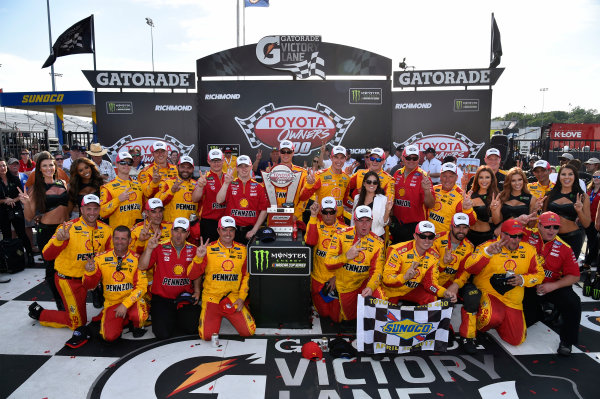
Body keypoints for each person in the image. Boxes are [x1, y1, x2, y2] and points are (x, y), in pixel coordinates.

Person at [27, 194, 113, 330]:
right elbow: (47, 255)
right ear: (81, 209)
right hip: (68, 280)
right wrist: (59, 241)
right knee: (77, 323)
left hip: (90, 279)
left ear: (99, 210)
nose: (92, 212)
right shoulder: (67, 227)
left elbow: (110, 258)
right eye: (88, 209)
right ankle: (40, 313)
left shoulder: (107, 230)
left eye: (95, 209)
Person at [459, 219, 544, 352]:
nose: (516, 240)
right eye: (512, 236)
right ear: (503, 234)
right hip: (489, 294)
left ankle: (501, 321)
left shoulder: (529, 250)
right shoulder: (488, 246)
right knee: (491, 318)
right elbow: (469, 267)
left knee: (516, 340)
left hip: (513, 300)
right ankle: (478, 322)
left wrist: (522, 279)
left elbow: (539, 275)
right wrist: (487, 253)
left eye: (519, 236)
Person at [521, 212, 581, 355]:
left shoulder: (564, 247)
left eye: (555, 227)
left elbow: (575, 276)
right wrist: (519, 220)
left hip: (552, 286)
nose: (552, 230)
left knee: (573, 302)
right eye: (548, 226)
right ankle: (541, 313)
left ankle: (567, 341)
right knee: (522, 324)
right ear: (539, 225)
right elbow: (500, 232)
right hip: (528, 285)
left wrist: (553, 286)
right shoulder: (527, 234)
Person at [18, 151, 70, 310]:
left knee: (67, 267)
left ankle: (69, 298)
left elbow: (68, 208)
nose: (49, 168)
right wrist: (27, 203)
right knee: (51, 270)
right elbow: (29, 216)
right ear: (39, 169)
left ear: (55, 166)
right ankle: (60, 302)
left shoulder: (62, 183)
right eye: (44, 166)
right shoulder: (36, 189)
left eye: (51, 165)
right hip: (47, 233)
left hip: (65, 231)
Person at [79, 225, 148, 343]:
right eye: (117, 238)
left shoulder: (137, 259)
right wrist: (90, 272)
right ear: (112, 239)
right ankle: (123, 320)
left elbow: (142, 287)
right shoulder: (100, 258)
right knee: (109, 337)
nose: (119, 242)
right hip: (112, 303)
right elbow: (89, 286)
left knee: (139, 315)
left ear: (130, 241)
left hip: (131, 301)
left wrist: (125, 305)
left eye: (123, 239)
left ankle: (135, 323)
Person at [138, 217, 202, 340]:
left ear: (188, 234)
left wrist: (197, 291)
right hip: (162, 298)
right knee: (162, 334)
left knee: (191, 328)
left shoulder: (194, 249)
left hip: (183, 297)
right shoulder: (159, 246)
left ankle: (177, 316)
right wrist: (149, 249)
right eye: (176, 230)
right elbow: (141, 266)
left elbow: (197, 272)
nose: (178, 235)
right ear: (171, 231)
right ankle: (168, 317)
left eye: (183, 231)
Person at [193, 216, 256, 340]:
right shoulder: (207, 249)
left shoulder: (243, 250)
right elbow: (192, 275)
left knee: (249, 331)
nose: (228, 233)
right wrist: (198, 258)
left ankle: (243, 309)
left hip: (232, 298)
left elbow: (246, 276)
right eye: (224, 229)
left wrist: (242, 298)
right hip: (212, 298)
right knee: (207, 336)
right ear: (218, 231)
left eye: (231, 230)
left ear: (235, 231)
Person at [324, 206, 385, 322]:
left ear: (372, 221)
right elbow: (328, 262)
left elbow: (377, 271)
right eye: (360, 221)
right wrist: (346, 256)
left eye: (367, 221)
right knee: (348, 319)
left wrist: (371, 287)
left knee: (380, 297)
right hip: (346, 285)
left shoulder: (379, 243)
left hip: (365, 283)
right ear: (354, 221)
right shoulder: (340, 235)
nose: (364, 225)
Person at [382, 221, 457, 305]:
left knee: (431, 297)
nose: (427, 240)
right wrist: (404, 277)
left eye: (430, 237)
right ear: (415, 236)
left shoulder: (434, 256)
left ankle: (424, 318)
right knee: (385, 313)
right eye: (422, 236)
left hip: (410, 290)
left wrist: (444, 292)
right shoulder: (397, 251)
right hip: (390, 291)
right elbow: (386, 279)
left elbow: (430, 284)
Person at [305, 197, 348, 320]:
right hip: (318, 279)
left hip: (336, 280)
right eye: (325, 212)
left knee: (337, 317)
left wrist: (336, 278)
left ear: (336, 212)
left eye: (331, 212)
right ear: (321, 213)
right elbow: (310, 241)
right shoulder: (315, 225)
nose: (328, 215)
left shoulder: (345, 230)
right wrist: (313, 215)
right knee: (323, 314)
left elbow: (349, 259)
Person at [216, 155, 268, 244]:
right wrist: (226, 183)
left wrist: (254, 230)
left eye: (246, 166)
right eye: (241, 166)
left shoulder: (259, 187)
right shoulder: (230, 184)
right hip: (232, 230)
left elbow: (264, 210)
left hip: (250, 231)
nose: (244, 169)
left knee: (249, 257)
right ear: (237, 168)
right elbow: (219, 200)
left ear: (251, 167)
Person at [391, 145, 435, 244]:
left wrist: (427, 191)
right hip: (397, 223)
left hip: (415, 226)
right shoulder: (397, 173)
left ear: (419, 159)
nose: (411, 160)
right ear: (402, 158)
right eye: (408, 158)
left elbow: (431, 205)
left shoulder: (424, 176)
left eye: (414, 158)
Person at [545, 164, 591, 259]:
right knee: (550, 271)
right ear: (559, 176)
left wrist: (579, 211)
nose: (567, 177)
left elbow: (586, 224)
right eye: (563, 174)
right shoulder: (550, 195)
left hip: (573, 238)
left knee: (569, 272)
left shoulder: (582, 196)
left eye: (570, 174)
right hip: (551, 238)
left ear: (575, 177)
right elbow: (543, 217)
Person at [431, 213, 475, 304]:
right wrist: (443, 262)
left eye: (465, 227)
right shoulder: (436, 240)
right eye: (458, 227)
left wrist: (456, 285)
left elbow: (465, 271)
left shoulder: (469, 246)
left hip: (450, 283)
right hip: (431, 281)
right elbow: (427, 268)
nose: (461, 231)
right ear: (451, 227)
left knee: (472, 297)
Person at [300, 145, 350, 222]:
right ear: (331, 158)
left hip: (339, 220)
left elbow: (345, 199)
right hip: (322, 220)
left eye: (342, 158)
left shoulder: (346, 178)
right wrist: (309, 184)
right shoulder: (320, 175)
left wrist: (358, 203)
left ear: (345, 159)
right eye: (336, 157)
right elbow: (303, 197)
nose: (339, 161)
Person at [0, 159, 34, 265]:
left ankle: (29, 255)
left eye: (4, 165)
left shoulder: (14, 179)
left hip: (16, 209)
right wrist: (5, 200)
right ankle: (10, 259)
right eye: (0, 166)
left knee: (22, 233)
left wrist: (13, 200)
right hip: (2, 211)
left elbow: (22, 194)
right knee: (6, 235)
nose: (2, 168)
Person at [427, 162, 476, 233]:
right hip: (428, 235)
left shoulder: (462, 195)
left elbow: (472, 222)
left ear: (456, 178)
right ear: (440, 177)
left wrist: (467, 209)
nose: (447, 179)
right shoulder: (434, 189)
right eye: (444, 176)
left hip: (445, 239)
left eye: (451, 176)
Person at [99, 152, 144, 228]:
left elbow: (142, 207)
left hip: (137, 233)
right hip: (119, 234)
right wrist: (118, 199)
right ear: (116, 164)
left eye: (129, 163)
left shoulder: (138, 184)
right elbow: (102, 212)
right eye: (123, 162)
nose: (126, 165)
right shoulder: (108, 187)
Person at [192, 148, 227, 243]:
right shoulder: (204, 178)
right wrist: (199, 186)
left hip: (226, 222)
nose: (216, 163)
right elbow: (194, 199)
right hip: (209, 222)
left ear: (223, 161)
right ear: (208, 161)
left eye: (218, 160)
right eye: (213, 161)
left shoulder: (229, 178)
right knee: (208, 252)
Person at [343, 147, 394, 212]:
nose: (374, 162)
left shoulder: (389, 179)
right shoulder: (359, 173)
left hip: (376, 214)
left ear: (383, 161)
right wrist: (355, 205)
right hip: (358, 213)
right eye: (372, 158)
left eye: (378, 159)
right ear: (369, 159)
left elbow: (389, 201)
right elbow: (344, 189)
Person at [350, 171, 393, 238]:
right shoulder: (357, 198)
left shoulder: (383, 199)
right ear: (364, 183)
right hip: (358, 236)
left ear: (377, 184)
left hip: (376, 237)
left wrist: (387, 210)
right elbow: (353, 220)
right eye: (369, 182)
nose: (372, 184)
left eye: (375, 182)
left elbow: (383, 223)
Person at [157, 155, 198, 223]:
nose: (185, 170)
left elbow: (202, 207)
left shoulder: (197, 185)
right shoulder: (167, 182)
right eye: (182, 167)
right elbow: (158, 203)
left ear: (193, 169)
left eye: (189, 168)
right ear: (177, 167)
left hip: (190, 227)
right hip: (170, 227)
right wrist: (171, 191)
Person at [466, 166, 500, 247]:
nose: (484, 180)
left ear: (491, 179)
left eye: (487, 177)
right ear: (477, 179)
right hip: (468, 235)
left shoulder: (495, 197)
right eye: (481, 177)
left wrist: (493, 210)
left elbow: (496, 222)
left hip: (485, 237)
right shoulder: (471, 194)